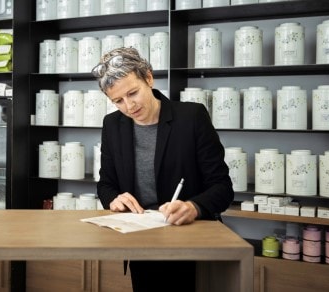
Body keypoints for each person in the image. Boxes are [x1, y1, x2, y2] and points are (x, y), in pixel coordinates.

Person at [92, 47, 234, 292]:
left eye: (133, 93)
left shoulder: (192, 116)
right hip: (140, 238)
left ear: (148, 77)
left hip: (189, 239)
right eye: (117, 101)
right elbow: (106, 184)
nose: (129, 106)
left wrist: (193, 207)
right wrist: (114, 199)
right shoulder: (112, 124)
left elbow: (223, 188)